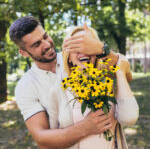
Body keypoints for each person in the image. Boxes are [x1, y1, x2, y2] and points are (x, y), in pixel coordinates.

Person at [9, 16, 120, 149]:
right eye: (37, 44)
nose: (47, 44)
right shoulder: (25, 86)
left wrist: (102, 49)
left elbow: (122, 71)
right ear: (24, 53)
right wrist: (86, 127)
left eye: (45, 36)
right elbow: (42, 139)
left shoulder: (76, 55)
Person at [51, 26, 138, 149]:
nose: (84, 51)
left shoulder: (108, 79)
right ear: (68, 57)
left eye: (88, 45)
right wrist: (84, 128)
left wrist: (119, 71)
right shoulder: (58, 89)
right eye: (77, 45)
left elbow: (129, 117)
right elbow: (51, 140)